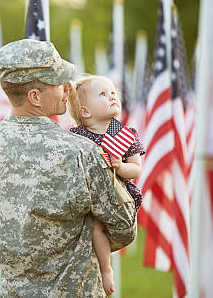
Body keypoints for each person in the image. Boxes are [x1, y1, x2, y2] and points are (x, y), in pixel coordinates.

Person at [0, 39, 137, 297]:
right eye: (59, 83)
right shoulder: (80, 151)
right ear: (35, 97)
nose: (68, 88)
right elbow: (124, 225)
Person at [68, 75, 144, 296]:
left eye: (112, 92)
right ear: (85, 112)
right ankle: (106, 268)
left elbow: (136, 169)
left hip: (117, 196)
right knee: (94, 226)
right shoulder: (78, 137)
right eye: (103, 94)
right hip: (89, 196)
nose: (112, 95)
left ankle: (106, 268)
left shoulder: (125, 135)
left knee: (100, 223)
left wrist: (120, 166)